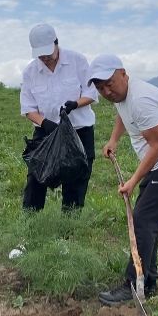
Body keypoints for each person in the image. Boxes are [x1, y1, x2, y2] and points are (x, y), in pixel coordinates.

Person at [88, 54, 158, 306]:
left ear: (123, 74)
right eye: (100, 88)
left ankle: (132, 286)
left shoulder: (141, 100)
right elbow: (122, 114)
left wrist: (133, 180)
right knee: (148, 222)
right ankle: (148, 281)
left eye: (110, 83)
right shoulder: (123, 95)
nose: (107, 91)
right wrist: (114, 139)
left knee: (143, 220)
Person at [20, 23, 98, 211]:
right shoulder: (30, 72)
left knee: (76, 181)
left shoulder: (77, 61)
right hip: (46, 133)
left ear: (56, 43)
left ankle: (68, 230)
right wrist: (44, 123)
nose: (45, 58)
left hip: (79, 131)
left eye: (47, 53)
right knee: (36, 178)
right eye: (40, 55)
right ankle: (30, 223)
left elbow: (92, 93)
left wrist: (75, 104)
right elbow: (28, 107)